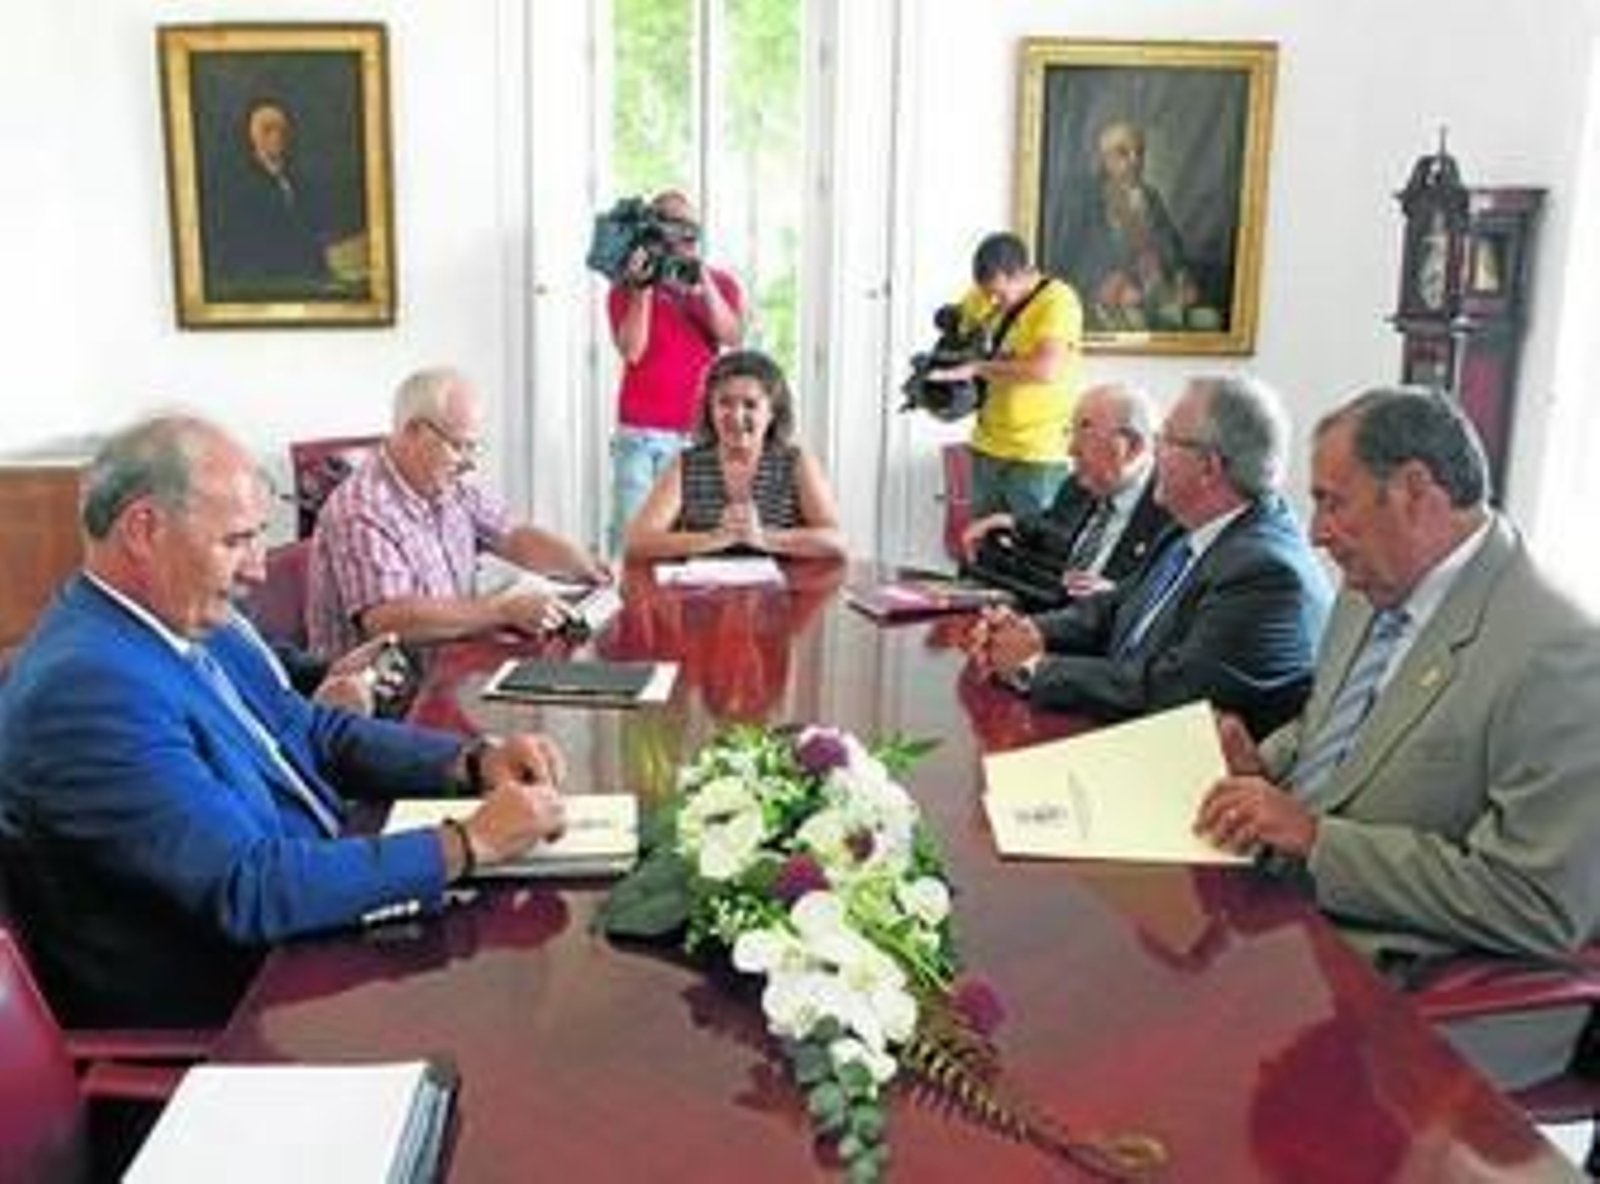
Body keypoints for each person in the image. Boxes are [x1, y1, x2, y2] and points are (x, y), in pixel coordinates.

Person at [0, 415, 569, 1028]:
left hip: (316, 918)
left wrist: (470, 760)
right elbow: (247, 886)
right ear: (144, 529)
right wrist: (467, 844)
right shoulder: (88, 689)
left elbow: (312, 732)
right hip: (246, 1007)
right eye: (235, 542)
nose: (258, 570)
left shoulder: (182, 617)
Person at [1195, 387, 1600, 1090]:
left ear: (1414, 490)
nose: (1316, 532)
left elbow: (1537, 907)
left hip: (1418, 982)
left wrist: (1318, 838)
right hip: (1292, 921)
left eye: (1332, 501)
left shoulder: (1559, 655)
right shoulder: (1372, 586)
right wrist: (1263, 761)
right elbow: (1337, 727)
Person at [968, 374, 1330, 738]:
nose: (1153, 453)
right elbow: (1113, 606)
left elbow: (1172, 691)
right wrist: (1027, 631)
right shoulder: (1192, 526)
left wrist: (1034, 666)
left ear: (1209, 466)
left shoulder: (1265, 571)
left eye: (1166, 441)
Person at [307, 366, 609, 658]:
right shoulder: (362, 508)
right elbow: (388, 620)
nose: (470, 463)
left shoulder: (448, 487)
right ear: (414, 431)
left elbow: (514, 536)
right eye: (460, 446)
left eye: (474, 447)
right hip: (383, 695)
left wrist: (582, 564)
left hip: (447, 662)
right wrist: (502, 609)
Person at [607, 190, 745, 552]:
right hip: (640, 436)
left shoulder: (722, 283)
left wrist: (704, 282)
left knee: (697, 546)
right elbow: (632, 351)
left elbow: (731, 336)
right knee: (633, 543)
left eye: (689, 228)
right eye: (671, 224)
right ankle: (631, 609)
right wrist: (643, 289)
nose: (682, 235)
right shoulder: (626, 284)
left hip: (699, 436)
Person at [623, 349, 847, 561]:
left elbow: (836, 540)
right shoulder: (686, 463)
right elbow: (638, 542)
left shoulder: (796, 461)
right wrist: (713, 539)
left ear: (772, 412)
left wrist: (764, 538)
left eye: (750, 405)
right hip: (704, 594)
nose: (736, 416)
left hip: (784, 593)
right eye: (724, 403)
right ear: (710, 410)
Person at [961, 382, 1171, 606]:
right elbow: (1052, 526)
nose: (1070, 449)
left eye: (1085, 431)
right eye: (1071, 431)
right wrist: (1012, 522)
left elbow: (1180, 603)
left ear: (1131, 447)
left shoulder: (1173, 510)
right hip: (1051, 618)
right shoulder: (1080, 485)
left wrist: (1119, 595)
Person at [929, 232, 1084, 519]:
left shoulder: (1058, 301)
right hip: (987, 446)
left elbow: (1045, 368)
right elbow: (959, 332)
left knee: (1032, 553)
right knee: (981, 547)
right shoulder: (983, 295)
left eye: (1000, 293)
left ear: (1023, 274)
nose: (993, 301)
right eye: (987, 292)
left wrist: (979, 368)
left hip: (1037, 455)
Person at [1064, 120, 1202, 333]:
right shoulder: (1086, 200)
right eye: (1123, 153)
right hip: (1112, 296)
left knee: (1208, 321)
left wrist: (1181, 274)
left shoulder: (1151, 196)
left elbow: (1173, 245)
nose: (1135, 160)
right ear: (1104, 159)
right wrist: (1104, 283)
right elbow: (1074, 257)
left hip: (1158, 290)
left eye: (1139, 152)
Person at [206, 98, 335, 298]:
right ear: (252, 136)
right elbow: (243, 249)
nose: (277, 136)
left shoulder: (299, 181)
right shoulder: (238, 186)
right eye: (267, 129)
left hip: (309, 280)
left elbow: (312, 233)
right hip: (265, 283)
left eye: (282, 129)